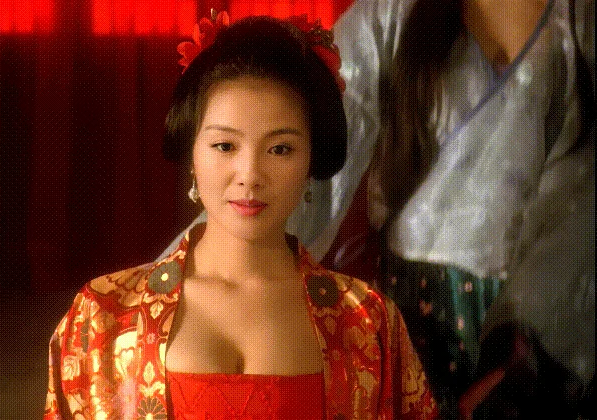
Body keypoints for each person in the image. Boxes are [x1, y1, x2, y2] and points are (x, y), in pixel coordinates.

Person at [171, 0, 594, 418]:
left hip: (549, 307)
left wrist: (529, 351)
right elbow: (300, 156)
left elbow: (583, 199)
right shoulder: (392, 15)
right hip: (413, 305)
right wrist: (191, 282)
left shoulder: (579, 20)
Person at [44, 13, 437, 420]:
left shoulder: (365, 321)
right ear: (192, 154)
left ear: (311, 161)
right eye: (225, 146)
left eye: (280, 149)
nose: (250, 175)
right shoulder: (103, 315)